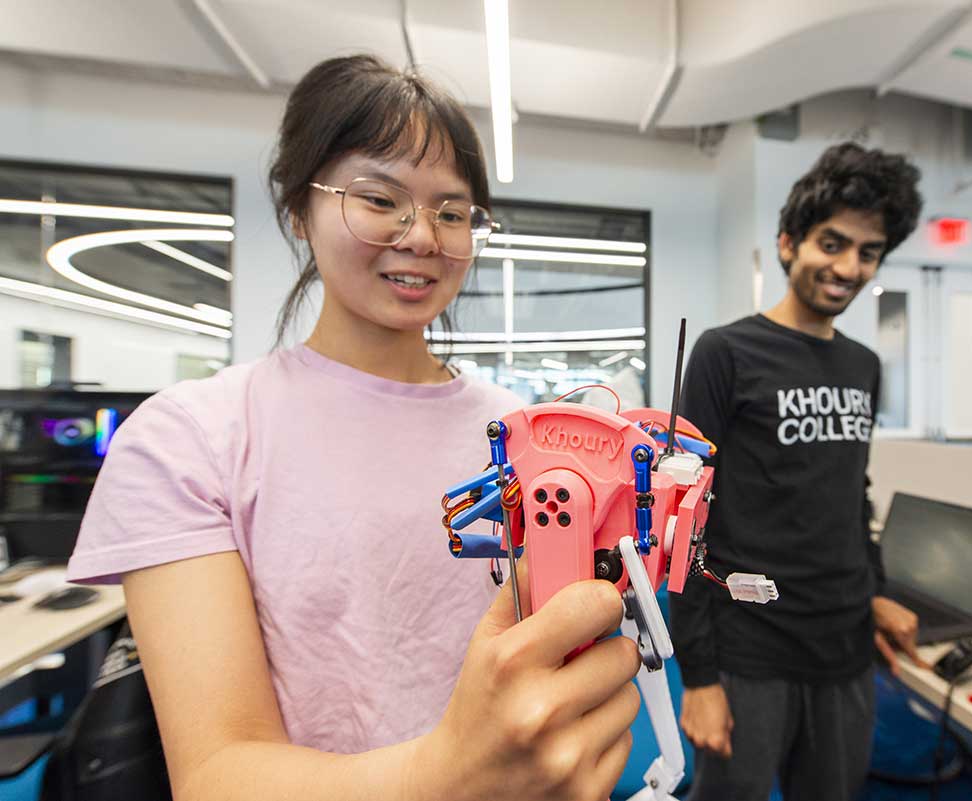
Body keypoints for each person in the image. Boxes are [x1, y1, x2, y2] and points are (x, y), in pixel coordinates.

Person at [66, 55, 640, 801]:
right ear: (300, 207)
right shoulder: (190, 440)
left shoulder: (531, 437)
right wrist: (447, 774)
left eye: (453, 211)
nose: (423, 236)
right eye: (379, 198)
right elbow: (215, 775)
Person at [670, 142, 927, 800]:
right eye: (831, 243)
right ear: (789, 243)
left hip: (844, 645)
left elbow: (850, 490)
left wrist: (875, 588)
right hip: (749, 646)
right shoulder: (725, 352)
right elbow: (684, 516)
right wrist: (697, 675)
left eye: (868, 252)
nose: (848, 266)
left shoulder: (863, 366)